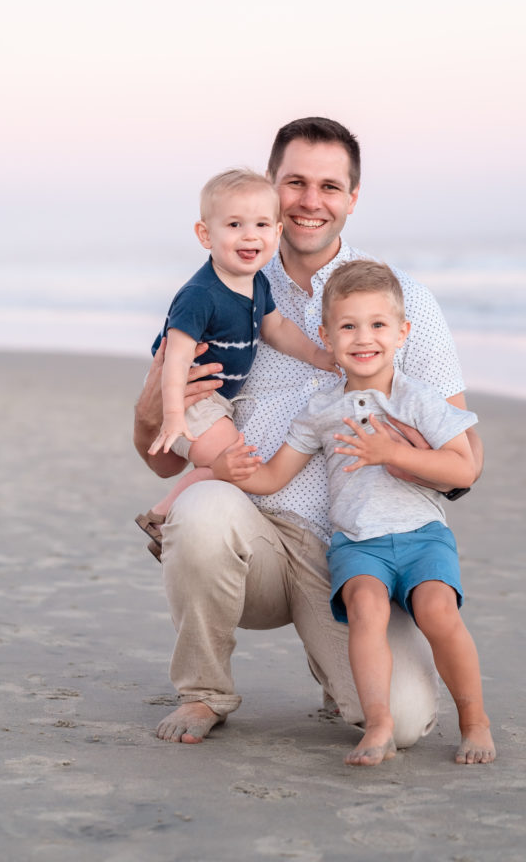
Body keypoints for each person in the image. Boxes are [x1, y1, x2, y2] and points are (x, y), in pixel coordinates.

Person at [133, 117, 484, 749]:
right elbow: (160, 457)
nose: (309, 201)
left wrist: (398, 455)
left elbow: (467, 458)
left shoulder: (399, 304)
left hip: (364, 550)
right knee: (203, 508)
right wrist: (149, 410)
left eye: (329, 185)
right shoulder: (220, 293)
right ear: (271, 187)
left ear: (352, 198)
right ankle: (204, 692)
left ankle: (338, 666)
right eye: (294, 182)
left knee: (402, 725)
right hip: (260, 537)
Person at [212, 259, 495, 765]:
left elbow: (463, 469)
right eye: (348, 326)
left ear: (402, 333)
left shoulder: (418, 400)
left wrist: (394, 456)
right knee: (366, 608)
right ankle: (379, 723)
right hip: (357, 543)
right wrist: (226, 467)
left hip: (421, 535)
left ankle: (475, 722)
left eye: (378, 325)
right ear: (326, 334)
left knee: (437, 611)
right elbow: (275, 475)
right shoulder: (322, 409)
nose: (364, 338)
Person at [135, 167, 338, 555]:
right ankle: (162, 518)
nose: (249, 235)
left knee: (223, 470)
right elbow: (176, 358)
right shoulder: (200, 295)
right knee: (240, 468)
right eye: (234, 224)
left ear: (277, 233)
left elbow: (275, 327)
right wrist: (174, 415)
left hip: (217, 402)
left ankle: (166, 519)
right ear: (205, 235)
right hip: (191, 401)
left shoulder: (256, 280)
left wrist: (318, 355)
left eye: (261, 224)